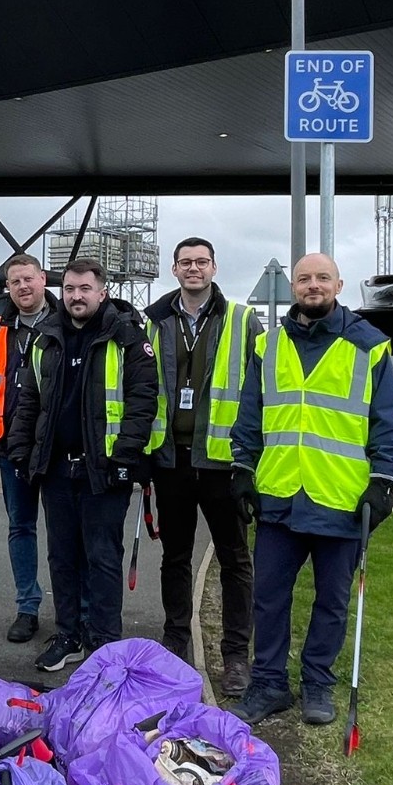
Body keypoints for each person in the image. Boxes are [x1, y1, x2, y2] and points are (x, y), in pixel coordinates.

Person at [229, 252, 393, 727]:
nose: (313, 285)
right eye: (304, 278)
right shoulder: (267, 345)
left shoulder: (369, 346)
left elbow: (388, 422)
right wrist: (242, 469)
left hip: (340, 499)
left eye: (322, 278)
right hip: (280, 495)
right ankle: (269, 683)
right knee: (269, 597)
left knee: (332, 601)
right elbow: (250, 414)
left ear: (338, 285)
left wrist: (384, 481)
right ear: (294, 287)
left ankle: (317, 682)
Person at [7, 258, 158, 672]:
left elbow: (143, 402)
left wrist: (124, 457)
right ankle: (68, 635)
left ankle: (105, 645)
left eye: (85, 289)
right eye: (70, 289)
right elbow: (29, 400)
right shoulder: (46, 338)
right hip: (56, 469)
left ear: (102, 292)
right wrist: (21, 451)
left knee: (103, 559)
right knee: (62, 558)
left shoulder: (127, 337)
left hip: (103, 470)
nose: (76, 296)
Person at [144, 236, 261, 697]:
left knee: (234, 559)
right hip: (170, 458)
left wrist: (249, 460)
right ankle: (175, 640)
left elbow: (259, 391)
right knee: (174, 557)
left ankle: (235, 656)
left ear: (214, 268)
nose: (193, 268)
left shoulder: (242, 320)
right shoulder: (154, 321)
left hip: (222, 463)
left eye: (201, 262)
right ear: (174, 269)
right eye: (185, 262)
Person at [0, 253, 59, 643]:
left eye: (28, 278)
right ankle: (27, 607)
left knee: (62, 533)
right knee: (21, 527)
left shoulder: (65, 322)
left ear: (43, 279)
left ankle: (71, 609)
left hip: (55, 448)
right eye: (15, 281)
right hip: (10, 448)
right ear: (8, 287)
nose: (22, 286)